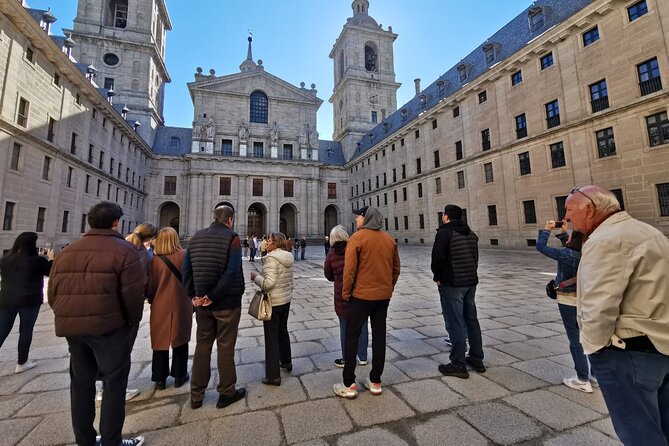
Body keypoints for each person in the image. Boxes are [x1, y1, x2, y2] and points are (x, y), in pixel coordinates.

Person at [565, 185, 669, 445]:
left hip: (628, 351)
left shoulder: (605, 240)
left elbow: (598, 306)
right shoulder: (648, 231)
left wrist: (595, 350)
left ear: (590, 210)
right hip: (661, 345)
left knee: (639, 433)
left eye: (569, 210)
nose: (566, 217)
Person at [47, 201, 146, 446]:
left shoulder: (67, 252)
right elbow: (133, 296)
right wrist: (131, 324)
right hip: (110, 328)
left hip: (74, 331)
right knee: (114, 386)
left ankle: (85, 441)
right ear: (116, 223)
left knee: (81, 385)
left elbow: (52, 293)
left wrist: (69, 318)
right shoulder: (124, 251)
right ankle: (111, 441)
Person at [183, 205, 246, 410]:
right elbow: (232, 271)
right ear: (230, 220)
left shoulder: (196, 238)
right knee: (225, 346)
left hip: (202, 305)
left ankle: (196, 395)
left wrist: (194, 296)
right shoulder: (232, 238)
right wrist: (212, 296)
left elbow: (187, 271)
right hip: (226, 303)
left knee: (202, 347)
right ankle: (227, 392)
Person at [333, 206, 400, 399]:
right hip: (383, 297)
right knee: (379, 337)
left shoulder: (357, 238)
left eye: (359, 217)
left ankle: (349, 384)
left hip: (361, 296)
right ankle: (376, 381)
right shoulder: (389, 240)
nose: (356, 220)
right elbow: (396, 269)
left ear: (367, 217)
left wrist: (346, 293)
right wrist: (389, 287)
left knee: (352, 336)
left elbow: (350, 270)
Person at [536, 220, 591, 393]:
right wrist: (563, 233)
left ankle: (582, 379)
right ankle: (595, 374)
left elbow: (541, 246)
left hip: (568, 300)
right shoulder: (587, 253)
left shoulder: (567, 254)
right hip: (585, 299)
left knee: (575, 340)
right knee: (590, 336)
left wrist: (547, 230)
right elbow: (571, 246)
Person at [431, 204, 485, 379]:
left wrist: (437, 277)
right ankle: (477, 359)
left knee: (455, 322)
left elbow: (437, 258)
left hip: (452, 283)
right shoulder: (471, 233)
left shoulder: (444, 233)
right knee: (471, 320)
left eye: (443, 215)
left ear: (446, 217)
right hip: (470, 282)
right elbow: (475, 258)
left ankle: (458, 364)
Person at [0, 232, 53, 373]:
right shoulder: (37, 261)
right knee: (26, 331)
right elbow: (52, 272)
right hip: (29, 300)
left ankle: (22, 362)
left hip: (6, 299)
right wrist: (51, 259)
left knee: (2, 330)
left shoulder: (5, 259)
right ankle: (22, 362)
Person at [146, 228, 191, 390]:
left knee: (160, 342)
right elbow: (190, 278)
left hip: (160, 304)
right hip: (182, 302)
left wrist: (153, 299)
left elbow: (149, 286)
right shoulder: (185, 255)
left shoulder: (154, 260)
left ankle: (160, 378)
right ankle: (180, 376)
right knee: (181, 338)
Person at [250, 232, 294, 386]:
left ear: (275, 244)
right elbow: (290, 281)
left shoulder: (271, 259)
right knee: (283, 331)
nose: (266, 243)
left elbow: (268, 283)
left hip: (273, 302)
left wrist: (256, 277)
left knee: (271, 338)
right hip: (285, 300)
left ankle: (273, 376)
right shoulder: (287, 257)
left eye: (268, 241)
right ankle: (287, 362)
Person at [324, 225, 368, 368]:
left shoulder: (332, 253)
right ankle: (362, 357)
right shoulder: (356, 248)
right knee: (361, 325)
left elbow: (328, 274)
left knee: (344, 326)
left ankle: (346, 358)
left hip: (342, 294)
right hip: (359, 293)